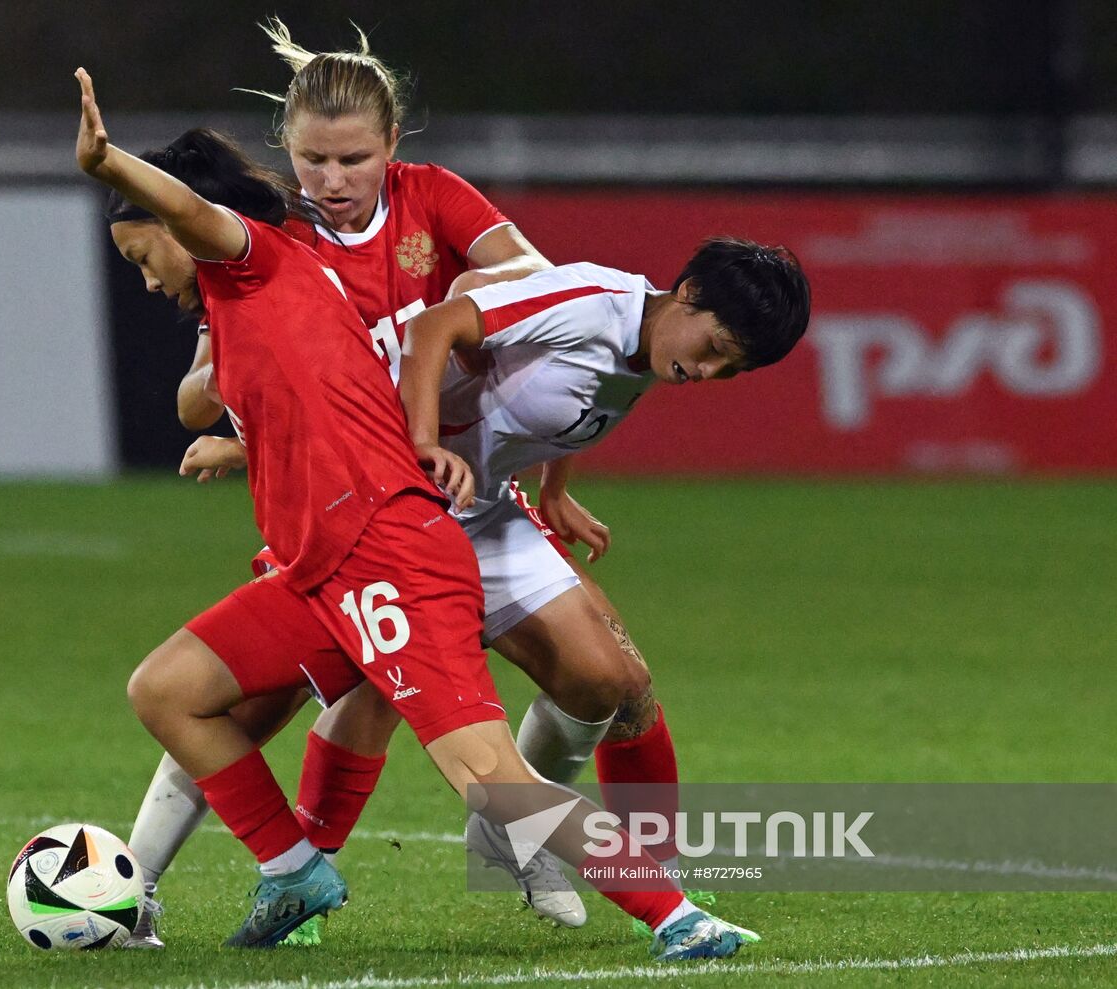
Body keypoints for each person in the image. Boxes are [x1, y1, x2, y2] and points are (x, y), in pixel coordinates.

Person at [75, 68, 746, 962]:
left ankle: (677, 914)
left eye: (141, 256)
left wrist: (108, 161)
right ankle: (290, 868)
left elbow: (203, 223)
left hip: (391, 548)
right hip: (320, 558)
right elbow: (277, 401)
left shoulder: (261, 257)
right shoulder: (264, 291)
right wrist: (247, 442)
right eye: (313, 158)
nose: (147, 276)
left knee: (492, 778)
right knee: (168, 690)